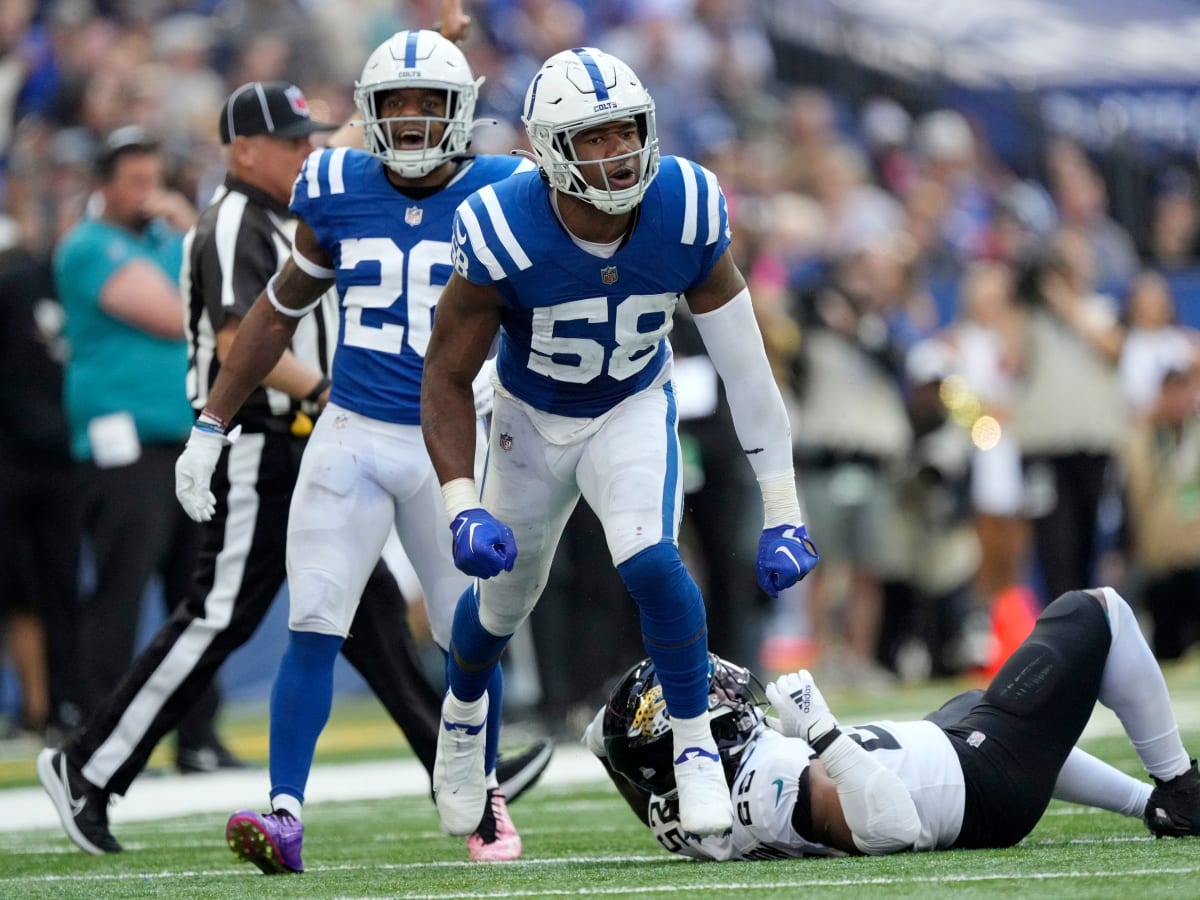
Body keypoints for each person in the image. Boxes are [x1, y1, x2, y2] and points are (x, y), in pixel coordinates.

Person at [37, 80, 553, 861]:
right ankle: (88, 768)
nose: (309, 152)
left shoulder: (299, 203)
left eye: (312, 139)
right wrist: (320, 391)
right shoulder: (236, 219)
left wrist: (428, 74)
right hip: (269, 440)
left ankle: (467, 779)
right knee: (220, 614)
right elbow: (248, 331)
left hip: (320, 437)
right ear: (245, 150)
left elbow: (378, 142)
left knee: (375, 625)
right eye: (291, 141)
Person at [419, 46, 818, 841]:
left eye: (625, 131)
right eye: (593, 138)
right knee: (502, 605)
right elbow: (444, 375)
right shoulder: (501, 226)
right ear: (548, 150)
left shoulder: (687, 205)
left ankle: (696, 746)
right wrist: (461, 502)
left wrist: (783, 506)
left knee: (650, 557)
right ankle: (463, 717)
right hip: (528, 416)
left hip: (632, 401)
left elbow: (748, 369)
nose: (617, 151)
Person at [172, 31, 544, 871]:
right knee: (314, 621)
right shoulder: (335, 183)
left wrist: (520, 386)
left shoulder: (507, 188)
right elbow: (275, 309)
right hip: (352, 430)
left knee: (469, 637)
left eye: (428, 103)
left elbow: (548, 301)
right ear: (368, 114)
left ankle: (483, 800)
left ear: (461, 110)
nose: (411, 120)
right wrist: (212, 422)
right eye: (396, 104)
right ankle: (284, 811)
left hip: (451, 449)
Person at [590, 585, 1200, 861]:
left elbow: (633, 775)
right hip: (981, 785)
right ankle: (1179, 787)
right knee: (1094, 611)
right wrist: (822, 731)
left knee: (967, 703)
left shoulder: (693, 814)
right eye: (699, 695)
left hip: (961, 756)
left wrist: (612, 737)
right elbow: (896, 830)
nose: (720, 685)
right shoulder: (772, 777)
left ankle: (1149, 803)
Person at [47, 125, 236, 769]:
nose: (147, 193)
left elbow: (221, 293)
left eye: (152, 180)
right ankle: (100, 738)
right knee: (122, 590)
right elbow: (172, 310)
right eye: (134, 182)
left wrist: (187, 230)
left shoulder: (162, 239)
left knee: (199, 591)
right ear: (104, 186)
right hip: (122, 443)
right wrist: (193, 240)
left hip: (185, 438)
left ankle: (198, 736)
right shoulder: (85, 246)